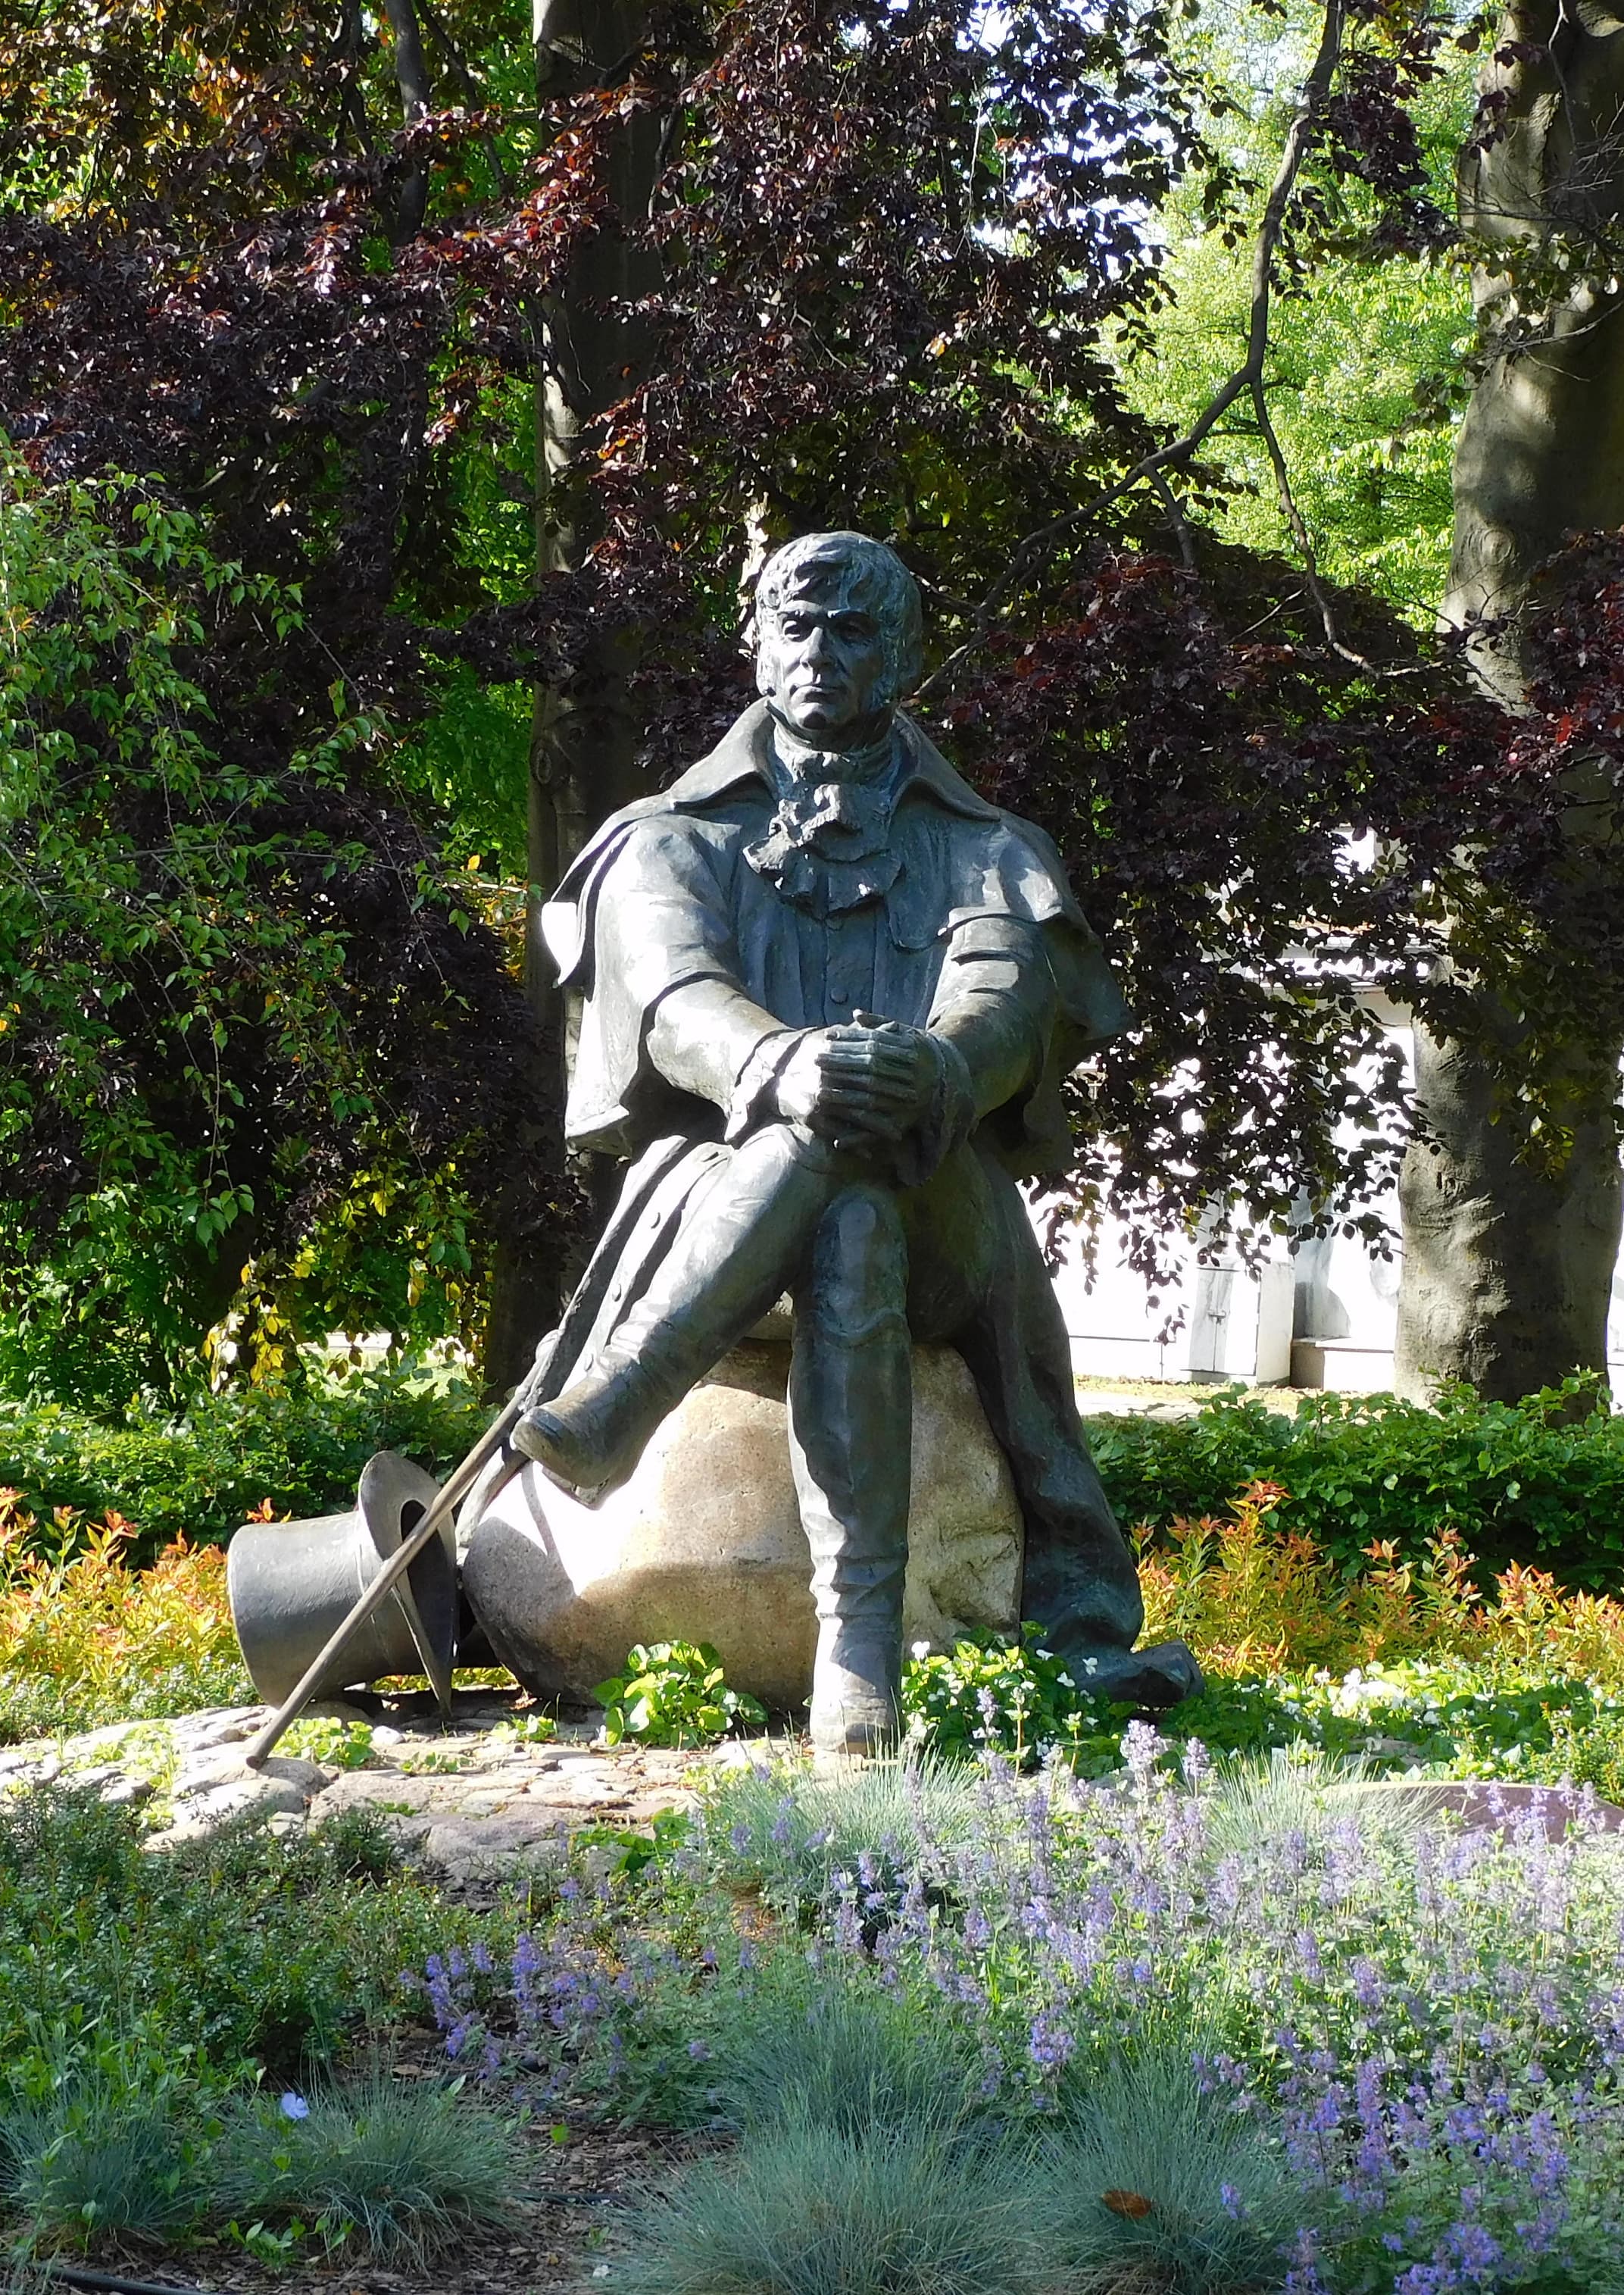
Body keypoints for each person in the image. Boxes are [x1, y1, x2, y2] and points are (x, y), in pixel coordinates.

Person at [502, 530, 1199, 1759]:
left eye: (859, 627)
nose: (825, 650)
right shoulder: (668, 837)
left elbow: (1003, 996)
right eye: (799, 624)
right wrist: (781, 1064)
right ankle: (858, 1648)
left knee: (871, 1170)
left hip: (951, 1214)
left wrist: (930, 1066)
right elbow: (672, 1000)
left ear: (908, 654)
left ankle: (618, 1399)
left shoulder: (987, 846)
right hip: (721, 1201)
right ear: (756, 647)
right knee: (848, 1199)